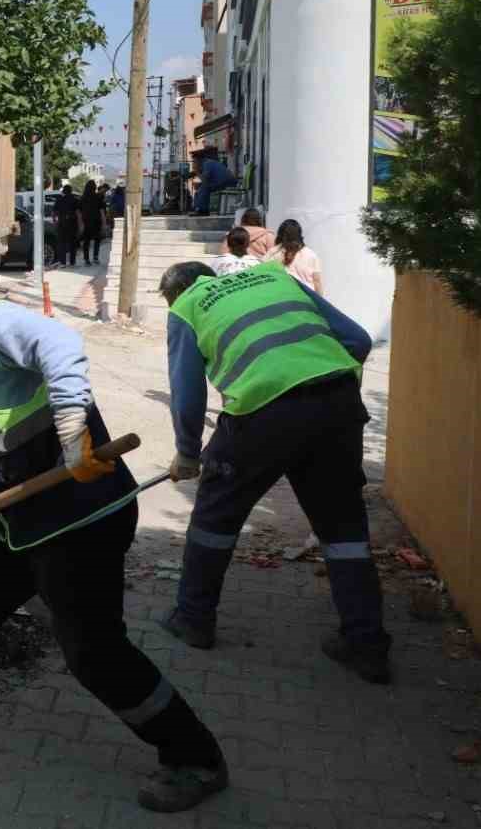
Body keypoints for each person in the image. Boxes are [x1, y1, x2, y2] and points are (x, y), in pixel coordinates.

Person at [0, 249, 229, 814]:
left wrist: (72, 433)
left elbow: (61, 346)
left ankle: (195, 758)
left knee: (94, 654)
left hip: (78, 522)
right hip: (27, 524)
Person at [155, 260, 390, 683]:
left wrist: (188, 453)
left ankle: (192, 618)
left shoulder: (186, 305)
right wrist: (318, 385)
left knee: (215, 518)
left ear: (177, 292)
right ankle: (366, 644)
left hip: (262, 416)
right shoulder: (275, 275)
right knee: (343, 528)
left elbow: (187, 391)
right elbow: (355, 338)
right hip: (338, 403)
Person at [267, 218, 323, 292]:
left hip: (282, 297)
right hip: (306, 299)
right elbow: (317, 282)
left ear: (281, 234)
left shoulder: (273, 252)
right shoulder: (311, 255)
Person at [190, 150, 237, 215]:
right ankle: (199, 208)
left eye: (194, 161)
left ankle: (202, 210)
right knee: (202, 188)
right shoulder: (208, 162)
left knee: (204, 188)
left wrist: (197, 171)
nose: (194, 163)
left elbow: (205, 180)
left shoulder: (207, 164)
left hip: (228, 182)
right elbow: (206, 180)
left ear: (199, 160)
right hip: (226, 181)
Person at [79, 180, 108, 266]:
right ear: (94, 187)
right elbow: (102, 212)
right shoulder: (98, 197)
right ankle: (95, 257)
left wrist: (81, 224)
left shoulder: (82, 198)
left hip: (86, 221)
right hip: (96, 221)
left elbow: (79, 212)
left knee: (86, 241)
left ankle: (86, 259)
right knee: (97, 240)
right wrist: (104, 224)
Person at [54, 183, 81, 266]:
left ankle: (63, 262)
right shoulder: (75, 199)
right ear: (71, 191)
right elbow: (78, 213)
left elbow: (54, 213)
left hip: (61, 223)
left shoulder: (59, 200)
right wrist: (80, 224)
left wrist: (55, 222)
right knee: (72, 243)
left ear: (63, 191)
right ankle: (72, 262)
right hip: (72, 223)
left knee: (61, 243)